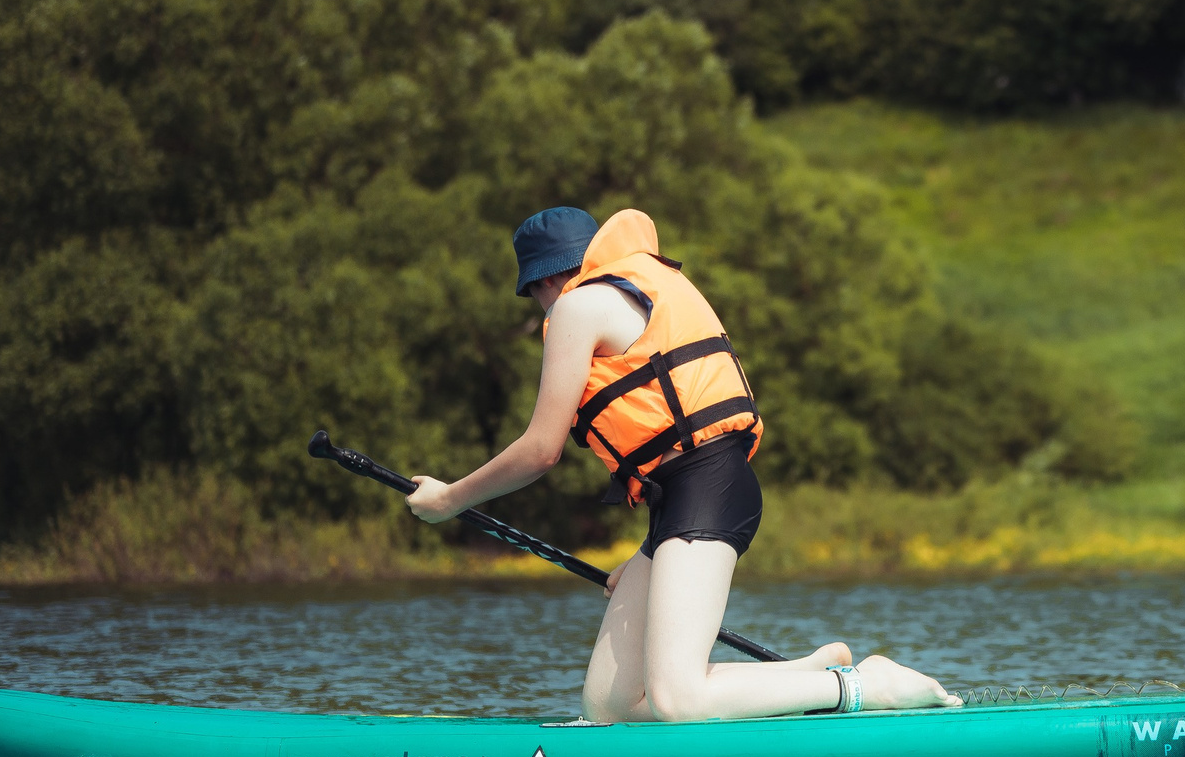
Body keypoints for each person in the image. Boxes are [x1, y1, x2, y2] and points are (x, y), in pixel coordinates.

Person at [406, 205, 960, 723]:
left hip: (708, 487)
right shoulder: (639, 286)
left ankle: (865, 685)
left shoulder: (575, 305)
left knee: (677, 700)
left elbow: (541, 450)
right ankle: (800, 676)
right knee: (611, 706)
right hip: (686, 499)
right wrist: (648, 558)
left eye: (536, 296)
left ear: (544, 281)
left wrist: (449, 499)